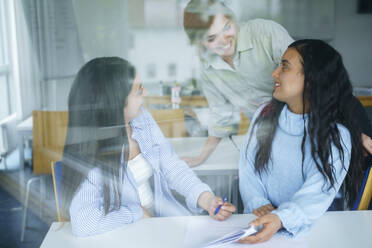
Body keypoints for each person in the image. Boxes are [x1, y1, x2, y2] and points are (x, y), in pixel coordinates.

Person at [60, 57, 236, 236]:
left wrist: (206, 198)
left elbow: (172, 167)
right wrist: (136, 212)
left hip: (159, 227)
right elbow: (84, 223)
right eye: (138, 90)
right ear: (115, 103)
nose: (145, 93)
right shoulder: (92, 153)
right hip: (124, 236)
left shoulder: (142, 120)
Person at [238, 39, 364, 243]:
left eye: (284, 67)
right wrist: (257, 202)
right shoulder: (264, 114)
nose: (275, 73)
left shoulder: (336, 136)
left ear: (312, 78)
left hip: (313, 232)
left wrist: (281, 217)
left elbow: (315, 195)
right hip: (264, 224)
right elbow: (248, 168)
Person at [181, 0, 294, 166]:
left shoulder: (265, 33)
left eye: (227, 27)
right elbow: (221, 116)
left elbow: (307, 76)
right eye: (212, 38)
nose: (224, 40)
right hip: (267, 137)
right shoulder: (208, 68)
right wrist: (201, 157)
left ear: (232, 19)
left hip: (305, 123)